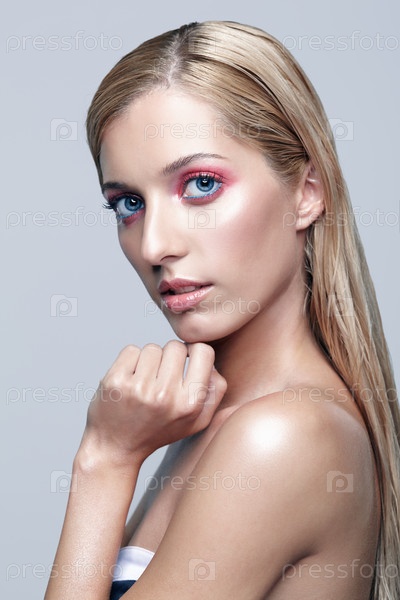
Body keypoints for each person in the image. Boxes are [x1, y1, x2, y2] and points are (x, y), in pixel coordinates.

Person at [44, 21, 400, 600]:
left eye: (202, 184)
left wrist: (103, 460)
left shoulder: (281, 435)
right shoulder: (210, 418)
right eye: (128, 203)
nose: (155, 245)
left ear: (307, 192)